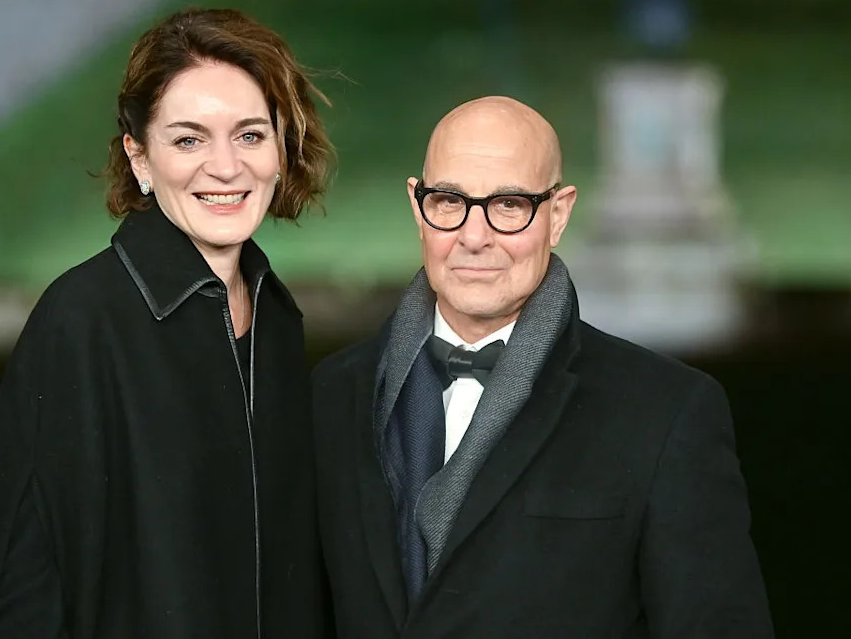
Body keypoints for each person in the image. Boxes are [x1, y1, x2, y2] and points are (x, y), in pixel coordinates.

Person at [312, 96, 773, 638]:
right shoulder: (330, 397)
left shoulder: (665, 413)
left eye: (509, 204)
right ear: (418, 207)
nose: (475, 236)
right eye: (449, 200)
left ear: (558, 214)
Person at [0, 8, 333, 639]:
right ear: (140, 157)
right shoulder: (82, 322)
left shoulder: (277, 319)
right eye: (188, 139)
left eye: (250, 135)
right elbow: (18, 586)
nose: (226, 167)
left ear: (283, 147)